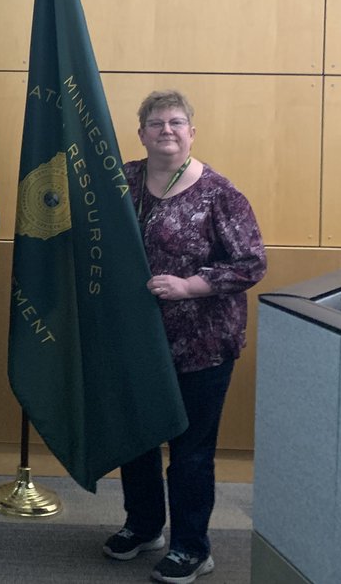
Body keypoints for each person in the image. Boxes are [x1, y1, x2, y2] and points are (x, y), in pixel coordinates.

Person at [103, 90, 265, 584]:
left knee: (191, 451)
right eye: (156, 123)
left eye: (176, 123)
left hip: (201, 346)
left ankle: (192, 546)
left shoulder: (220, 193)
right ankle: (144, 525)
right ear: (141, 133)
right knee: (139, 441)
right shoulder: (123, 179)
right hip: (136, 342)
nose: (166, 131)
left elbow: (252, 263)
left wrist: (189, 286)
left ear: (191, 132)